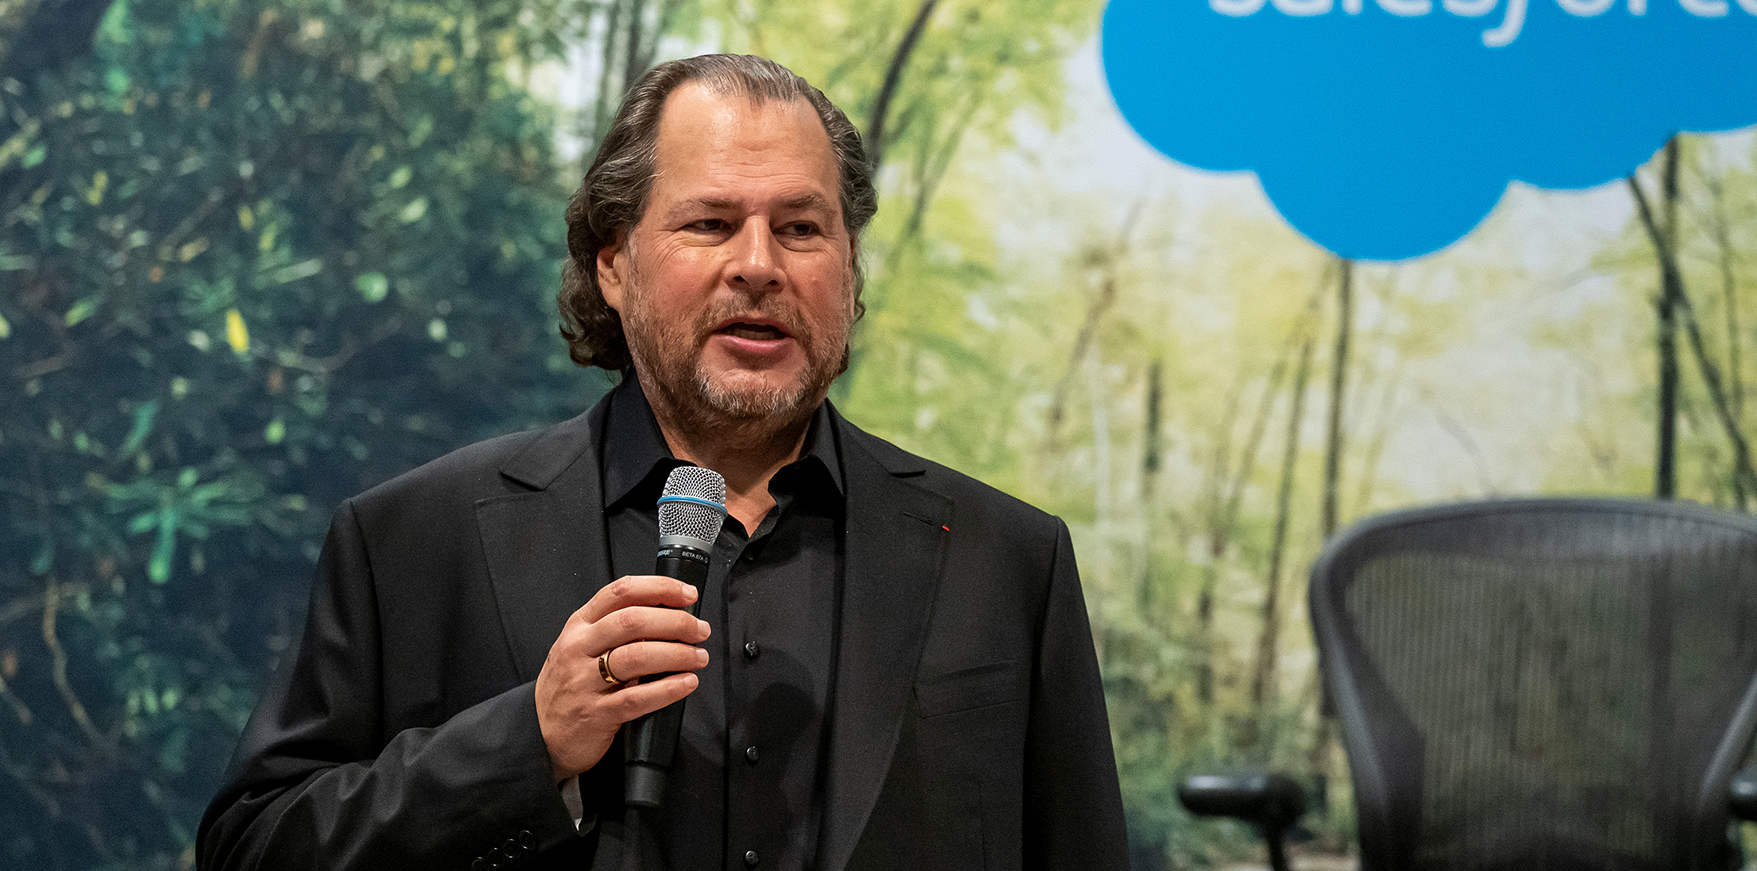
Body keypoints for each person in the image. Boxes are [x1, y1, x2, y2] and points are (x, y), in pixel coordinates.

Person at [196, 53, 1127, 871]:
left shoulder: (1006, 560)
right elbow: (255, 845)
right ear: (615, 263)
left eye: (802, 229)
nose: (759, 264)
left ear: (849, 271)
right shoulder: (414, 539)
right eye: (711, 224)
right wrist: (533, 742)